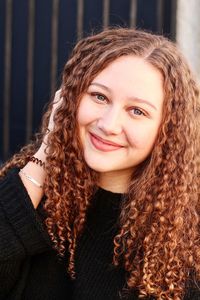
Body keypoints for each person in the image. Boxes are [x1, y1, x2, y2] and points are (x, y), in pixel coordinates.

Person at [0, 28, 199, 300]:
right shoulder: (27, 190)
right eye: (99, 96)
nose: (108, 125)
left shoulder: (185, 236)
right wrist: (49, 148)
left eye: (137, 111)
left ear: (168, 132)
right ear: (68, 100)